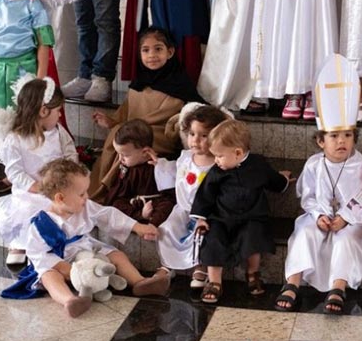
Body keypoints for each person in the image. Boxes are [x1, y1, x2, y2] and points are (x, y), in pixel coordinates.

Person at [0, 158, 170, 317]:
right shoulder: (41, 224)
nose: (86, 197)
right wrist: (64, 268)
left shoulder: (86, 207)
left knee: (116, 255)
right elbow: (38, 255)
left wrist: (137, 227)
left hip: (85, 250)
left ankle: (139, 282)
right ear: (60, 198)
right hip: (58, 261)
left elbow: (108, 215)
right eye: (81, 194)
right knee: (48, 276)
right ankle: (70, 301)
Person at [278, 55, 362, 314]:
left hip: (352, 220)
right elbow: (307, 197)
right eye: (334, 136)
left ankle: (338, 287)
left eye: (347, 135)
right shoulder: (313, 164)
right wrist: (319, 214)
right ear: (321, 141)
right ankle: (293, 283)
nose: (341, 141)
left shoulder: (359, 163)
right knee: (306, 233)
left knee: (346, 240)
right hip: (320, 216)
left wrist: (344, 217)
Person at [192, 119, 292, 304]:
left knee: (253, 235)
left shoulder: (258, 165)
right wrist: (201, 218)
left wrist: (283, 179)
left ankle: (253, 274)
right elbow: (205, 194)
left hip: (251, 216)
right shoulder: (217, 171)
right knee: (213, 237)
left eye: (219, 156)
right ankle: (214, 282)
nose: (216, 161)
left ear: (237, 153)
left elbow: (274, 182)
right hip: (222, 217)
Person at [88, 27, 194, 198]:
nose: (152, 55)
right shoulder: (139, 82)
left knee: (129, 138)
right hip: (133, 130)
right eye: (145, 50)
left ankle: (108, 192)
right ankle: (105, 188)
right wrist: (112, 121)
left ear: (170, 52)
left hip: (158, 135)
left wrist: (128, 127)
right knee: (122, 135)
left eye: (158, 49)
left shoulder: (179, 84)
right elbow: (127, 111)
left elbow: (176, 116)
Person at [0, 78, 77, 266]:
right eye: (58, 111)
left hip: (56, 189)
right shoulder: (15, 138)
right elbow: (15, 172)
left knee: (60, 208)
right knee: (28, 209)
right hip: (29, 192)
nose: (60, 116)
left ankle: (49, 245)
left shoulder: (59, 133)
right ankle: (19, 244)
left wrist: (66, 176)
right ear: (44, 111)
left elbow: (70, 154)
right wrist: (35, 186)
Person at [153, 103, 228, 286]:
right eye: (192, 134)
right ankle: (166, 265)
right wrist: (159, 164)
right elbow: (175, 173)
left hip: (207, 213)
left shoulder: (219, 162)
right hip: (183, 210)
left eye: (204, 136)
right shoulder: (185, 157)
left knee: (201, 236)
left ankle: (200, 266)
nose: (196, 140)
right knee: (166, 229)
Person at [96, 119, 174, 226]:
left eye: (125, 155)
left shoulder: (158, 168)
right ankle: (140, 215)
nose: (120, 159)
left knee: (165, 206)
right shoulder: (127, 166)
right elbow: (118, 193)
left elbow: (168, 197)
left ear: (145, 152)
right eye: (119, 154)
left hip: (150, 205)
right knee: (116, 205)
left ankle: (148, 220)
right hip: (131, 205)